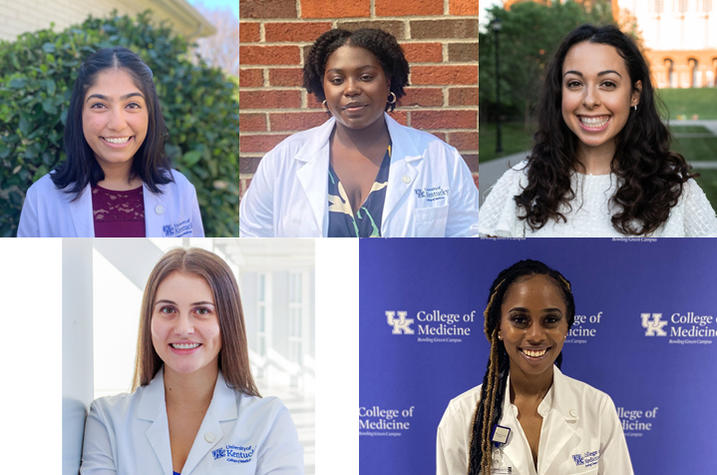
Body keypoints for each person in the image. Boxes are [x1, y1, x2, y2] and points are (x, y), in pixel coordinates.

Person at [478, 24, 717, 237]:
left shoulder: (675, 190)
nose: (590, 100)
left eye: (607, 84)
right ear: (560, 92)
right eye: (575, 84)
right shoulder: (520, 184)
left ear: (634, 94)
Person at [80, 248, 303, 474]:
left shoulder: (269, 421)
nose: (184, 329)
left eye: (202, 311)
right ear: (149, 319)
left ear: (227, 321)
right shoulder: (108, 420)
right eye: (168, 310)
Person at [240, 28, 479, 237]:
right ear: (322, 87)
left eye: (366, 77)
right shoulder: (282, 161)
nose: (351, 89)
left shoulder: (441, 159)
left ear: (388, 82)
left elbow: (467, 236)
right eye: (336, 79)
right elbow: (253, 238)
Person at [436, 260, 632, 474]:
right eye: (520, 320)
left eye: (550, 320)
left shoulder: (597, 408)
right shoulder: (461, 415)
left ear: (567, 326)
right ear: (499, 328)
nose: (536, 335)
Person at [18, 47, 203, 237]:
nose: (117, 124)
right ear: (79, 114)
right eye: (99, 105)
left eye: (132, 105)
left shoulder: (181, 191)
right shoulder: (41, 198)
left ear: (150, 113)